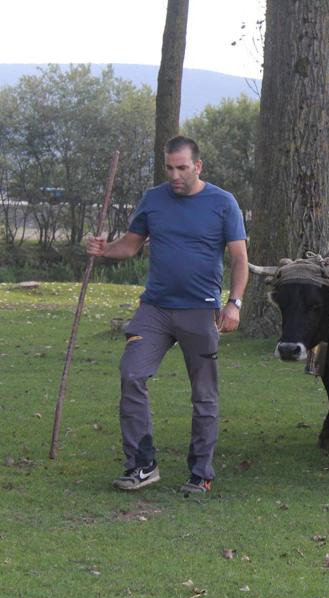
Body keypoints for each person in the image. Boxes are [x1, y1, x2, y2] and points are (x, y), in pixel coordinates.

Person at [85, 135, 248, 494]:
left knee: (204, 394)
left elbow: (239, 259)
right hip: (155, 309)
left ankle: (200, 473)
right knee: (131, 374)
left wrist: (234, 303)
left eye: (182, 168)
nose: (174, 175)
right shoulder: (153, 199)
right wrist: (103, 250)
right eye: (169, 168)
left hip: (201, 311)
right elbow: (130, 245)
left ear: (198, 166)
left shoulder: (223, 203)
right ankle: (142, 465)